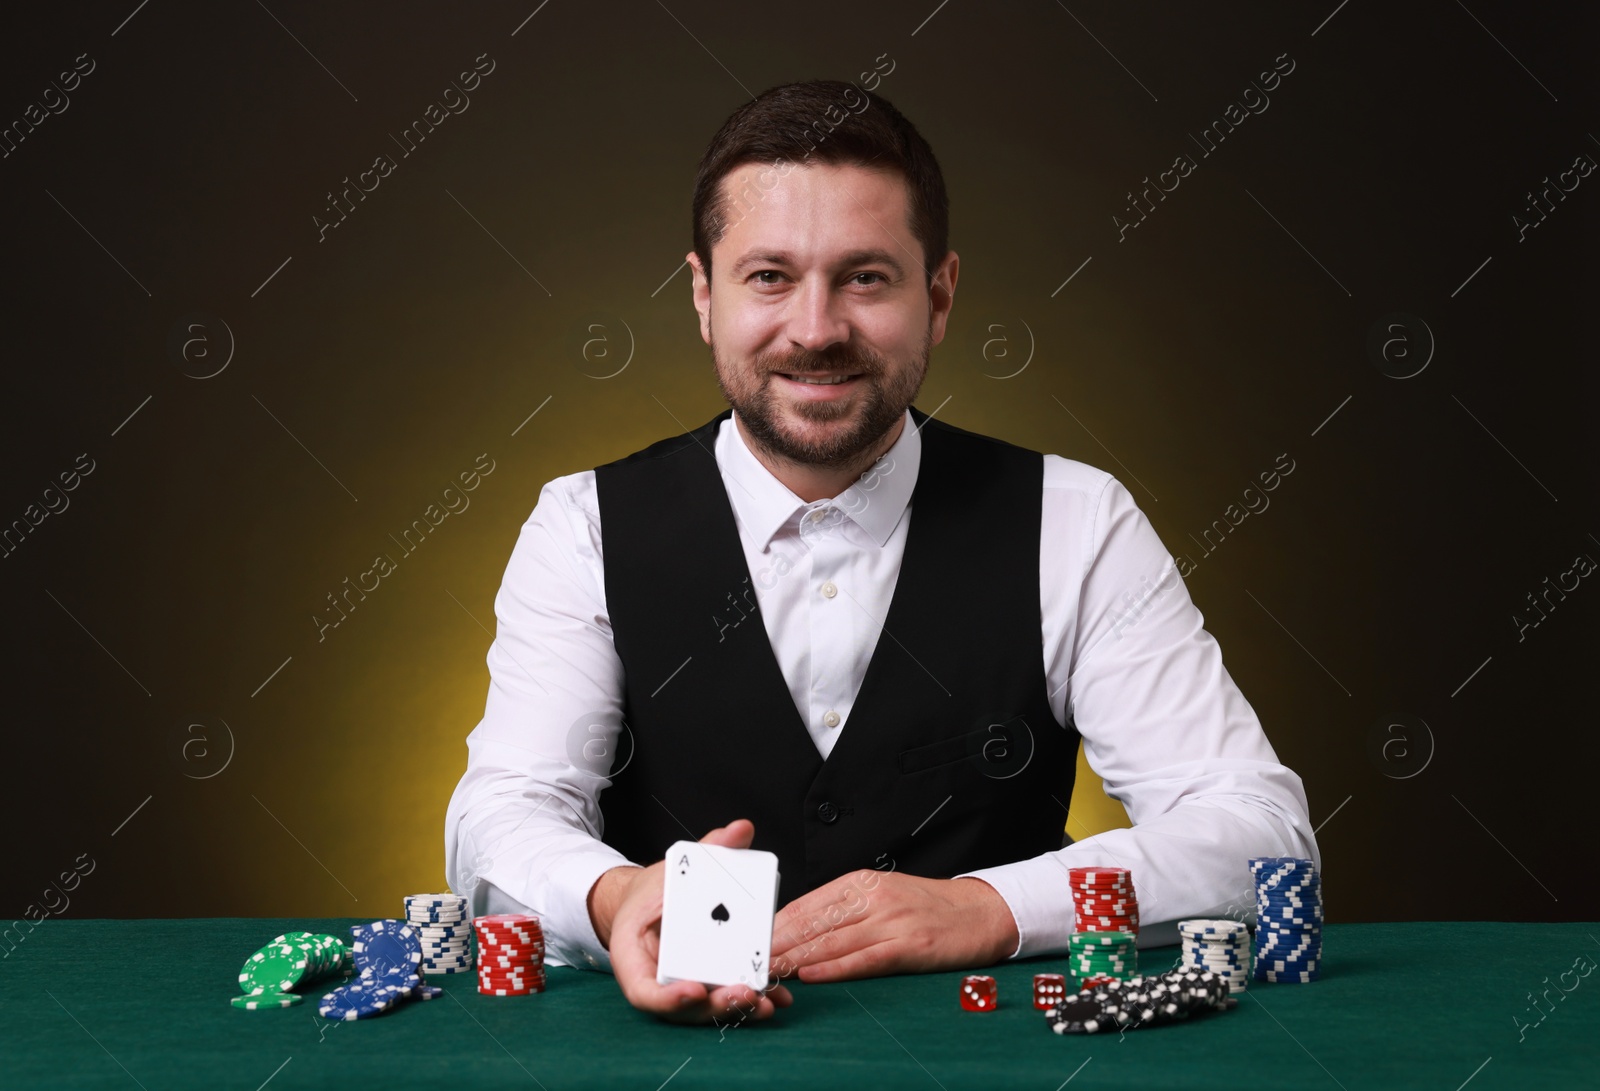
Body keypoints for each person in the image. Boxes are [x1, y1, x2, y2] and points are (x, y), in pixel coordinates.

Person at [443, 79, 1318, 1026]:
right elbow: (499, 817)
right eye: (769, 276)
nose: (816, 330)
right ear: (704, 296)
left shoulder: (1076, 517)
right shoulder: (582, 524)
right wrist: (617, 901)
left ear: (938, 297)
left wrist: (988, 908)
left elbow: (1261, 836)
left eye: (865, 277)